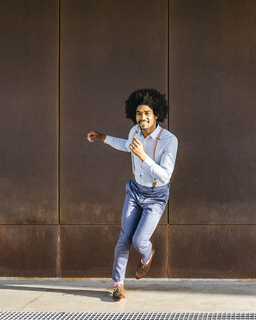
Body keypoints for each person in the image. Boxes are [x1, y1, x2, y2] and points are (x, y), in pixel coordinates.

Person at [87, 88, 178, 301]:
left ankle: (147, 257)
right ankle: (118, 285)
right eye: (139, 113)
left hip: (156, 195)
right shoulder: (134, 132)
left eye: (147, 113)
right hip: (135, 190)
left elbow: (165, 176)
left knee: (139, 240)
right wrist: (103, 137)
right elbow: (126, 145)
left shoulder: (169, 141)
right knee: (124, 239)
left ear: (157, 115)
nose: (142, 117)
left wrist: (143, 156)